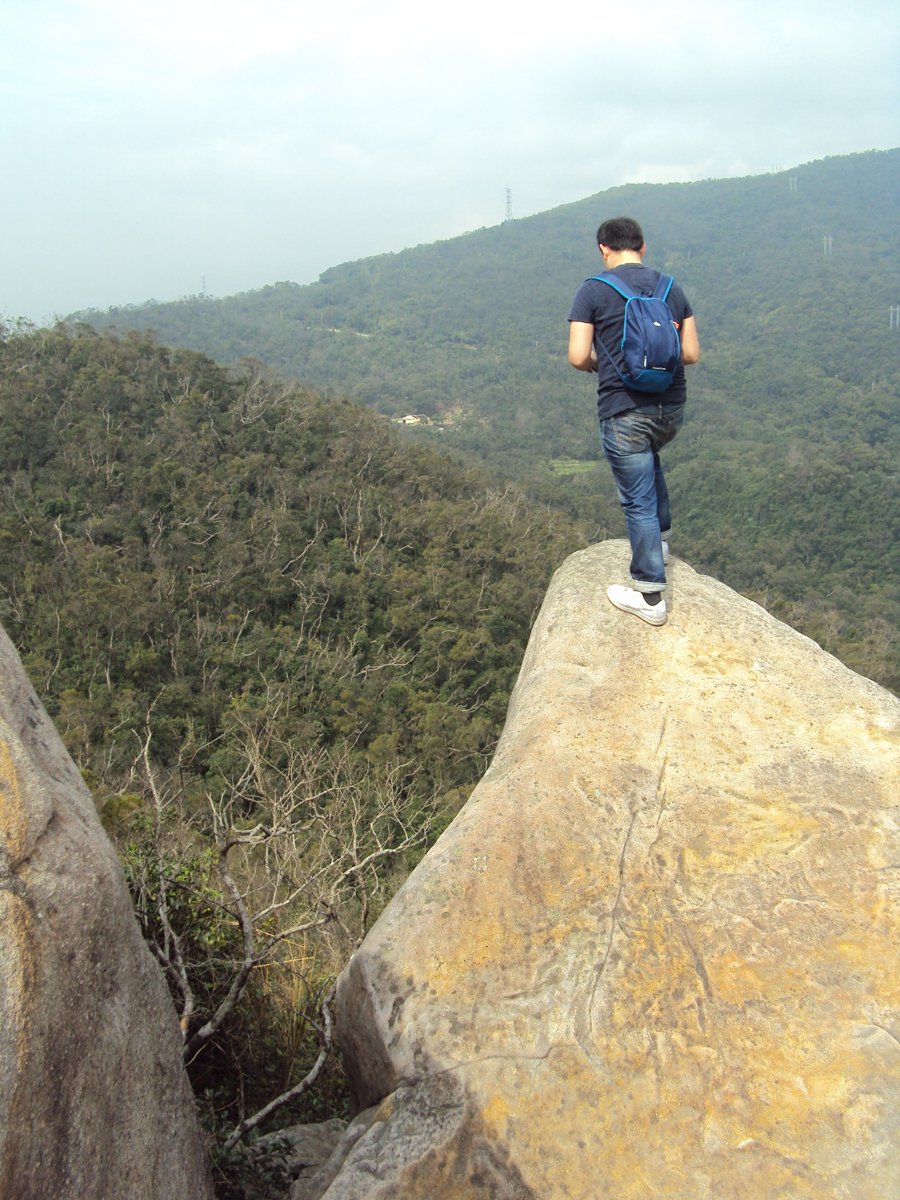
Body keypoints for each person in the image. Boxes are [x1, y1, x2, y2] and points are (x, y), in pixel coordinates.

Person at [567, 216, 700, 626]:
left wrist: (600, 362)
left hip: (624, 412)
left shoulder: (593, 290)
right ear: (643, 248)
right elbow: (691, 353)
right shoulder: (670, 288)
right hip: (669, 409)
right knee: (651, 461)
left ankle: (650, 596)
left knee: (636, 500)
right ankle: (660, 545)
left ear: (604, 249)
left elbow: (577, 356)